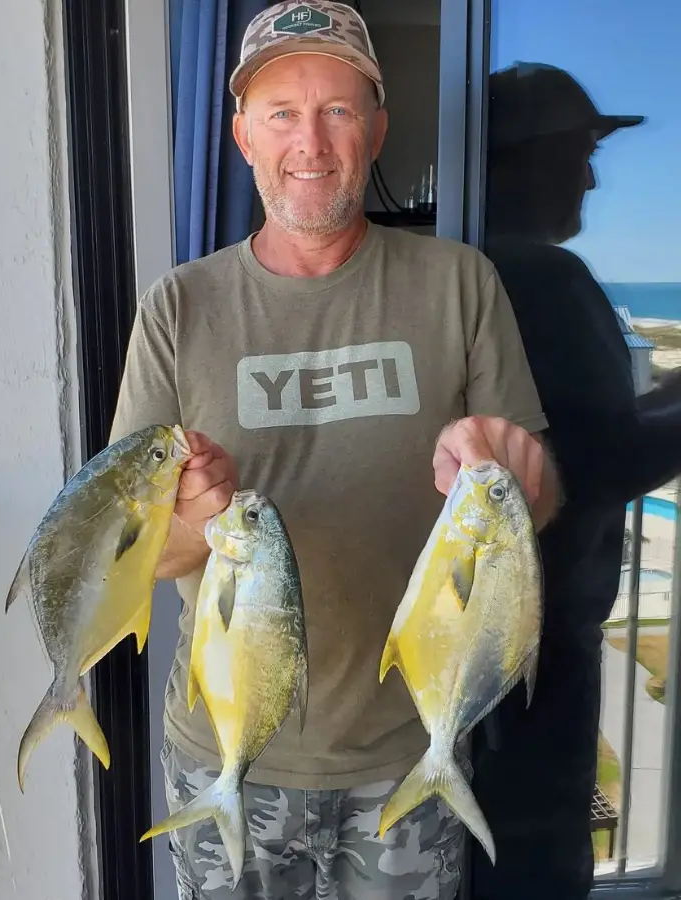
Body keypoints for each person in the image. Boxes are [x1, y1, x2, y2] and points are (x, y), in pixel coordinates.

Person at [110, 4, 559, 898]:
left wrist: (520, 468)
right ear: (241, 135)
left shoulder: (459, 283)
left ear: (378, 127)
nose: (308, 142)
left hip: (408, 749)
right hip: (228, 752)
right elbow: (137, 558)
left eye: (339, 110)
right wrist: (195, 524)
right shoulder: (179, 308)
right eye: (280, 112)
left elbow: (530, 509)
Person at [470, 62, 681, 900]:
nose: (592, 174)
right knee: (537, 863)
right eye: (579, 151)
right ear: (522, 160)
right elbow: (597, 463)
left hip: (489, 641)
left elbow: (583, 433)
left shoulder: (474, 272)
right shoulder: (546, 278)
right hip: (545, 647)